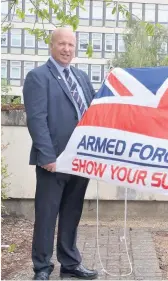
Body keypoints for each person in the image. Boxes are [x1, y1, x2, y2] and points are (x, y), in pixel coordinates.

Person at [23, 27, 98, 280]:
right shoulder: (38, 77)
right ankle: (42, 268)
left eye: (71, 45)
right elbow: (36, 119)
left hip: (80, 160)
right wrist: (46, 157)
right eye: (62, 44)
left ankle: (70, 263)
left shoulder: (82, 77)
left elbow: (95, 110)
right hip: (53, 161)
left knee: (71, 213)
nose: (67, 49)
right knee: (47, 216)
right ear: (52, 46)